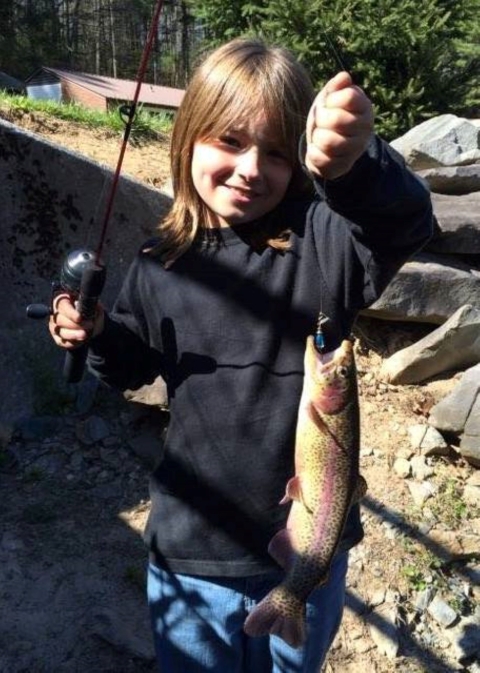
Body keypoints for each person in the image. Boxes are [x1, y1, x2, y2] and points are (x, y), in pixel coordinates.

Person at [49, 38, 432, 673]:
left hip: (310, 555)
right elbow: (131, 368)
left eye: (277, 153)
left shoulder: (325, 240)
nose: (252, 168)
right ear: (188, 139)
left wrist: (356, 165)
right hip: (191, 553)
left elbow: (403, 223)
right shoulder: (159, 262)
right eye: (229, 141)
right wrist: (96, 337)